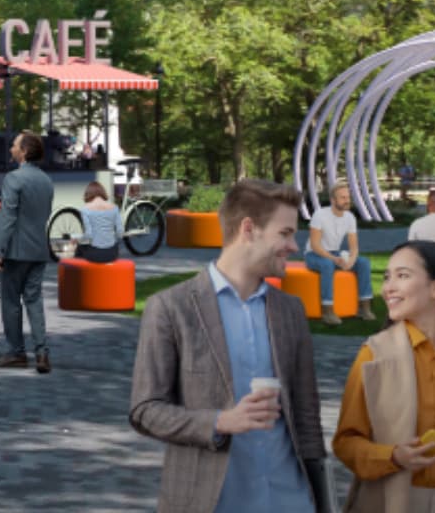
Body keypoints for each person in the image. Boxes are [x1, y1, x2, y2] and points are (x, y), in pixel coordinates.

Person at [129, 180, 330, 513]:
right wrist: (220, 422)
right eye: (284, 233)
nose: (294, 246)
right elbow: (145, 410)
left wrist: (322, 501)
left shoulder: (290, 311)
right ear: (248, 230)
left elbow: (307, 416)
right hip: (208, 502)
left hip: (290, 500)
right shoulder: (171, 308)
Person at [333, 240, 435, 512]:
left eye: (402, 275)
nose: (388, 287)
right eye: (387, 277)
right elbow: (345, 443)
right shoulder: (374, 356)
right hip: (393, 499)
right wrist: (393, 456)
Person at [0, 131, 56, 373]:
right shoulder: (46, 181)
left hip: (16, 251)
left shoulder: (14, 178)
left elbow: (7, 216)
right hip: (39, 249)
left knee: (10, 302)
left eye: (14, 145)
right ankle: (42, 353)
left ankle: (16, 352)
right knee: (34, 300)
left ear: (24, 151)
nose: (11, 149)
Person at [304, 182, 374, 325]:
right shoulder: (320, 215)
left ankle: (364, 307)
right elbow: (315, 245)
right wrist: (334, 259)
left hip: (334, 253)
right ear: (333, 200)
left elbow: (354, 247)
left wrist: (351, 260)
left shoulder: (350, 217)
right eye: (342, 198)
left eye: (348, 197)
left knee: (364, 263)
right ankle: (327, 311)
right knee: (327, 265)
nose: (347, 200)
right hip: (314, 254)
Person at [79, 181, 121, 263]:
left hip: (95, 254)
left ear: (88, 193)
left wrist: (79, 240)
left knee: (79, 248)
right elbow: (120, 232)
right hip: (112, 254)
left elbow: (89, 235)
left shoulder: (85, 210)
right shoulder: (115, 208)